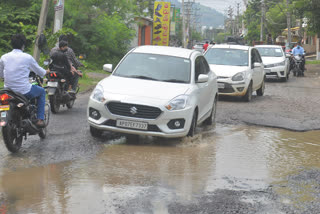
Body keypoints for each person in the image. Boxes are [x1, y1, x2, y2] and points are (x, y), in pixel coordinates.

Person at [0, 34, 50, 127]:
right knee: (42, 91)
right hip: (24, 90)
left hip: (8, 91)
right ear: (23, 45)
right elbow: (40, 72)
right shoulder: (27, 57)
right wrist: (46, 71)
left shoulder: (4, 57)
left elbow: (1, 74)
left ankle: (3, 119)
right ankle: (39, 119)